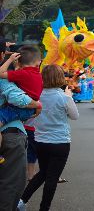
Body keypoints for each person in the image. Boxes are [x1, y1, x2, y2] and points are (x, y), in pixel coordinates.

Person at [18, 64, 79, 211]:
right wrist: (69, 97)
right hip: (60, 142)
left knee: (43, 173)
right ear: (60, 78)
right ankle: (44, 208)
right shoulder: (64, 98)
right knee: (52, 177)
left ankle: (21, 201)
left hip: (40, 140)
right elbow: (75, 116)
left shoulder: (36, 96)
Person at [0, 63, 42, 210]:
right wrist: (37, 104)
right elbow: (16, 97)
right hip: (11, 135)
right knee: (11, 185)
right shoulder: (4, 79)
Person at [0, 46, 43, 164]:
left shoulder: (22, 74)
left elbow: (0, 73)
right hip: (29, 110)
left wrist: (9, 60)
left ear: (18, 61)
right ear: (39, 62)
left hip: (19, 108)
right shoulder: (38, 75)